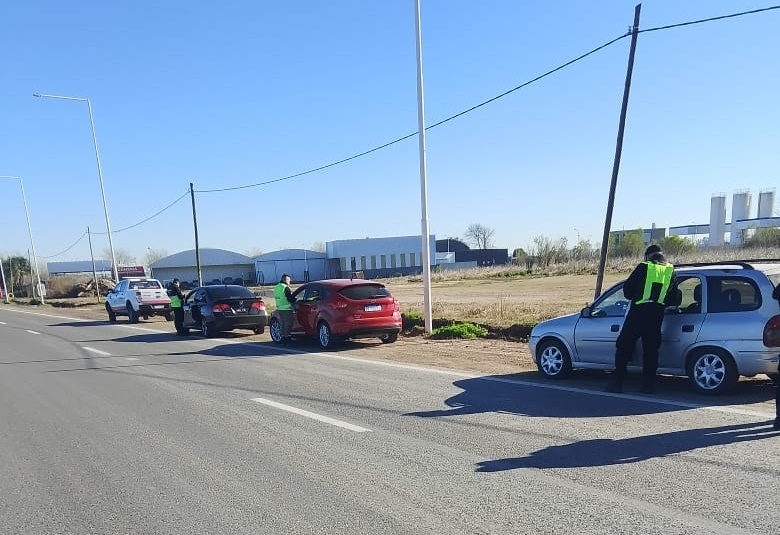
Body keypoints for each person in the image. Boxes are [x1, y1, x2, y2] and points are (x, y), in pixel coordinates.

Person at [605, 244, 680, 394]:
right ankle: (648, 386)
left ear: (648, 256)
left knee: (623, 346)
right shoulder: (670, 270)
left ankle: (617, 384)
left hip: (638, 313)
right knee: (651, 351)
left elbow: (627, 291)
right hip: (656, 315)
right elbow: (674, 298)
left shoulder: (644, 266)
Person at [273, 273, 296, 342]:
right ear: (285, 280)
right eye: (288, 280)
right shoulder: (285, 287)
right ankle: (287, 337)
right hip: (287, 309)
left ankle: (283, 337)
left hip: (279, 309)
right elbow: (290, 298)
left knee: (282, 323)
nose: (290, 281)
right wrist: (295, 300)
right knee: (288, 324)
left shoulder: (277, 287)